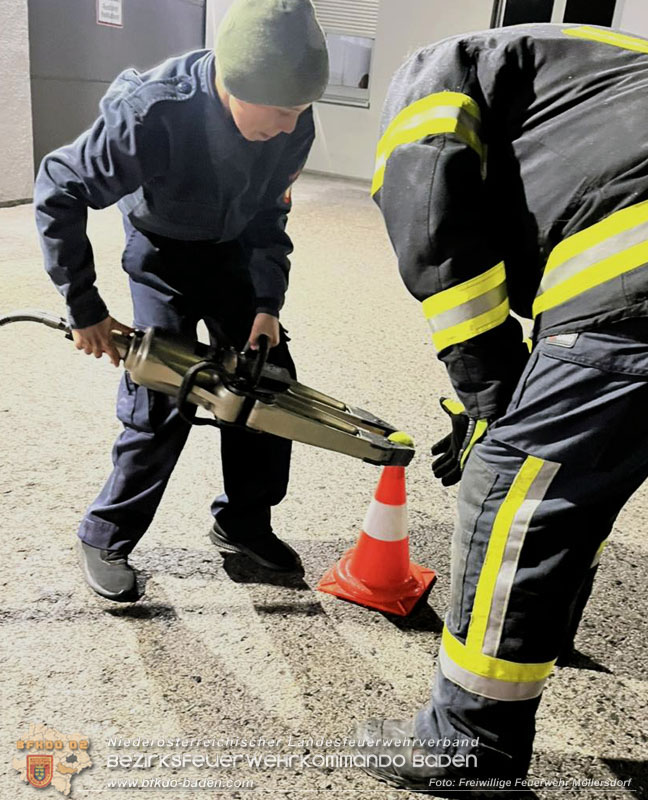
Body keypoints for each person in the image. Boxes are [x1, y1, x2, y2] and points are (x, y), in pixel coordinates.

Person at [356, 22, 648, 794]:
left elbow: (432, 224)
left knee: (518, 487)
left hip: (632, 264)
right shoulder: (592, 63)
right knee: (588, 468)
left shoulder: (429, 76)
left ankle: (467, 743)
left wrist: (492, 399)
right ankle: (542, 623)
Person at [34, 0, 329, 601]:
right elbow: (57, 188)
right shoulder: (151, 113)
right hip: (160, 250)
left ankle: (243, 522)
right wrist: (85, 308)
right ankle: (106, 533)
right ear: (232, 81)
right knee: (168, 385)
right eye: (279, 111)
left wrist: (267, 303)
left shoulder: (291, 125)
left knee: (266, 379)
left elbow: (271, 216)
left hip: (233, 250)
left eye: (300, 112)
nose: (289, 125)